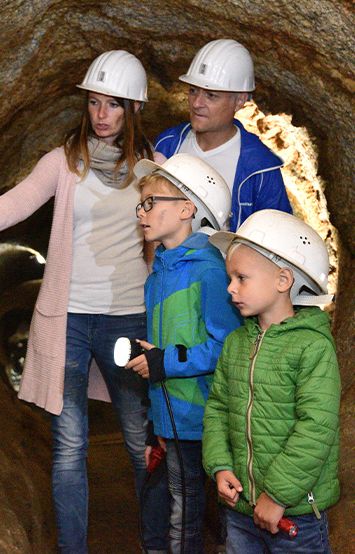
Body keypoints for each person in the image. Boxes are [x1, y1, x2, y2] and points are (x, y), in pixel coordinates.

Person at [0, 50, 170, 554]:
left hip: (128, 319)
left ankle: (156, 544)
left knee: (138, 441)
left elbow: (180, 229)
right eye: (94, 102)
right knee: (69, 447)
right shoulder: (64, 163)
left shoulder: (154, 169)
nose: (101, 114)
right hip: (67, 321)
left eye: (113, 105)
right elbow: (21, 198)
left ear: (133, 111)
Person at [203, 210, 340, 554]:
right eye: (229, 277)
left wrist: (278, 494)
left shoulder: (312, 346)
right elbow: (218, 407)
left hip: (294, 516)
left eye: (241, 278)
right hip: (240, 509)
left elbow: (316, 428)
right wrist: (220, 465)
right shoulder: (236, 343)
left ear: (283, 280)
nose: (230, 288)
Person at [125, 154, 243, 554]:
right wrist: (150, 423)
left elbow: (227, 346)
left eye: (151, 202)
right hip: (173, 420)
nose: (142, 212)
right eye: (141, 204)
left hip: (209, 415)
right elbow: (156, 352)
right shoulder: (157, 273)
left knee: (223, 512)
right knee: (185, 509)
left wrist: (166, 362)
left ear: (187, 209)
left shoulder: (208, 269)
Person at [154, 39, 292, 232]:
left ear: (240, 101)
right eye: (193, 91)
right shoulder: (168, 143)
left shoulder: (261, 169)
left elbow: (278, 239)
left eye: (211, 95)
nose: (196, 103)